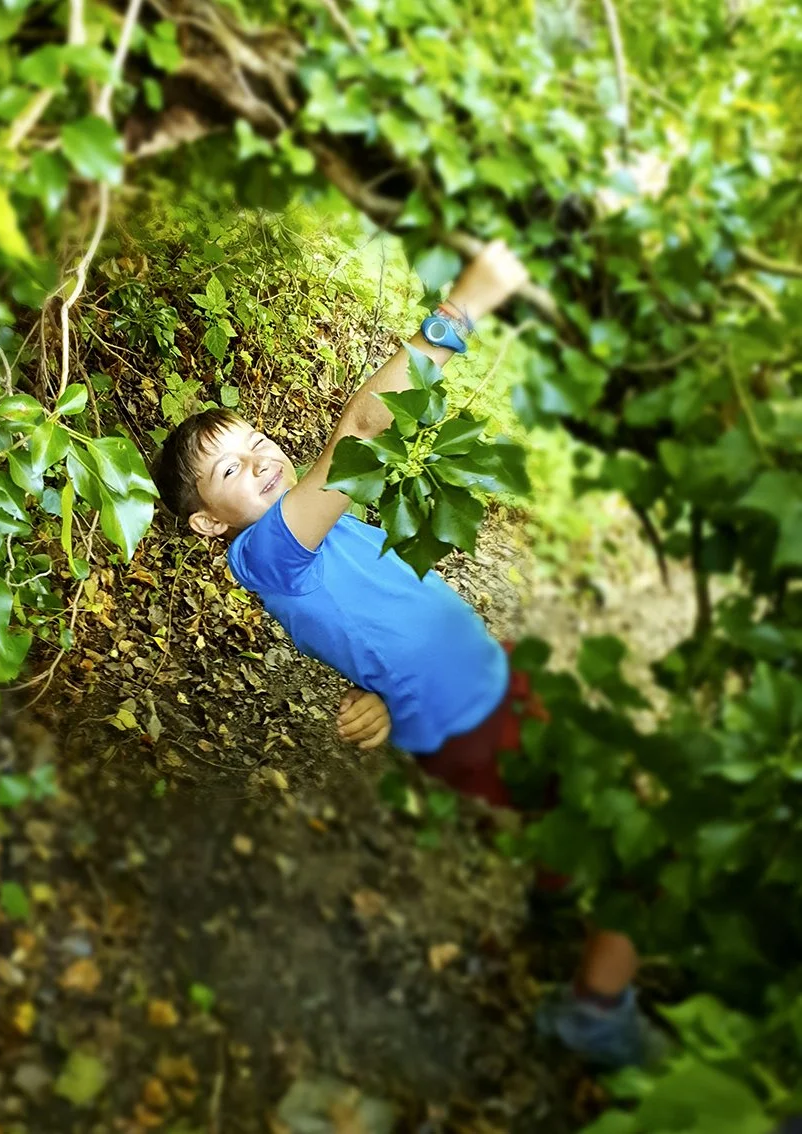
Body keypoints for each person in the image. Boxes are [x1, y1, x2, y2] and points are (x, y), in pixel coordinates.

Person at [152, 240, 658, 1068]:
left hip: (486, 678)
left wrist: (384, 689)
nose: (262, 459)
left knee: (571, 789)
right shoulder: (265, 554)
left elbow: (365, 619)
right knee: (634, 832)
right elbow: (361, 429)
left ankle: (555, 895)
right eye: (230, 470)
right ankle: (597, 1012)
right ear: (210, 522)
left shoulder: (309, 532)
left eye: (256, 440)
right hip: (472, 719)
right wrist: (462, 307)